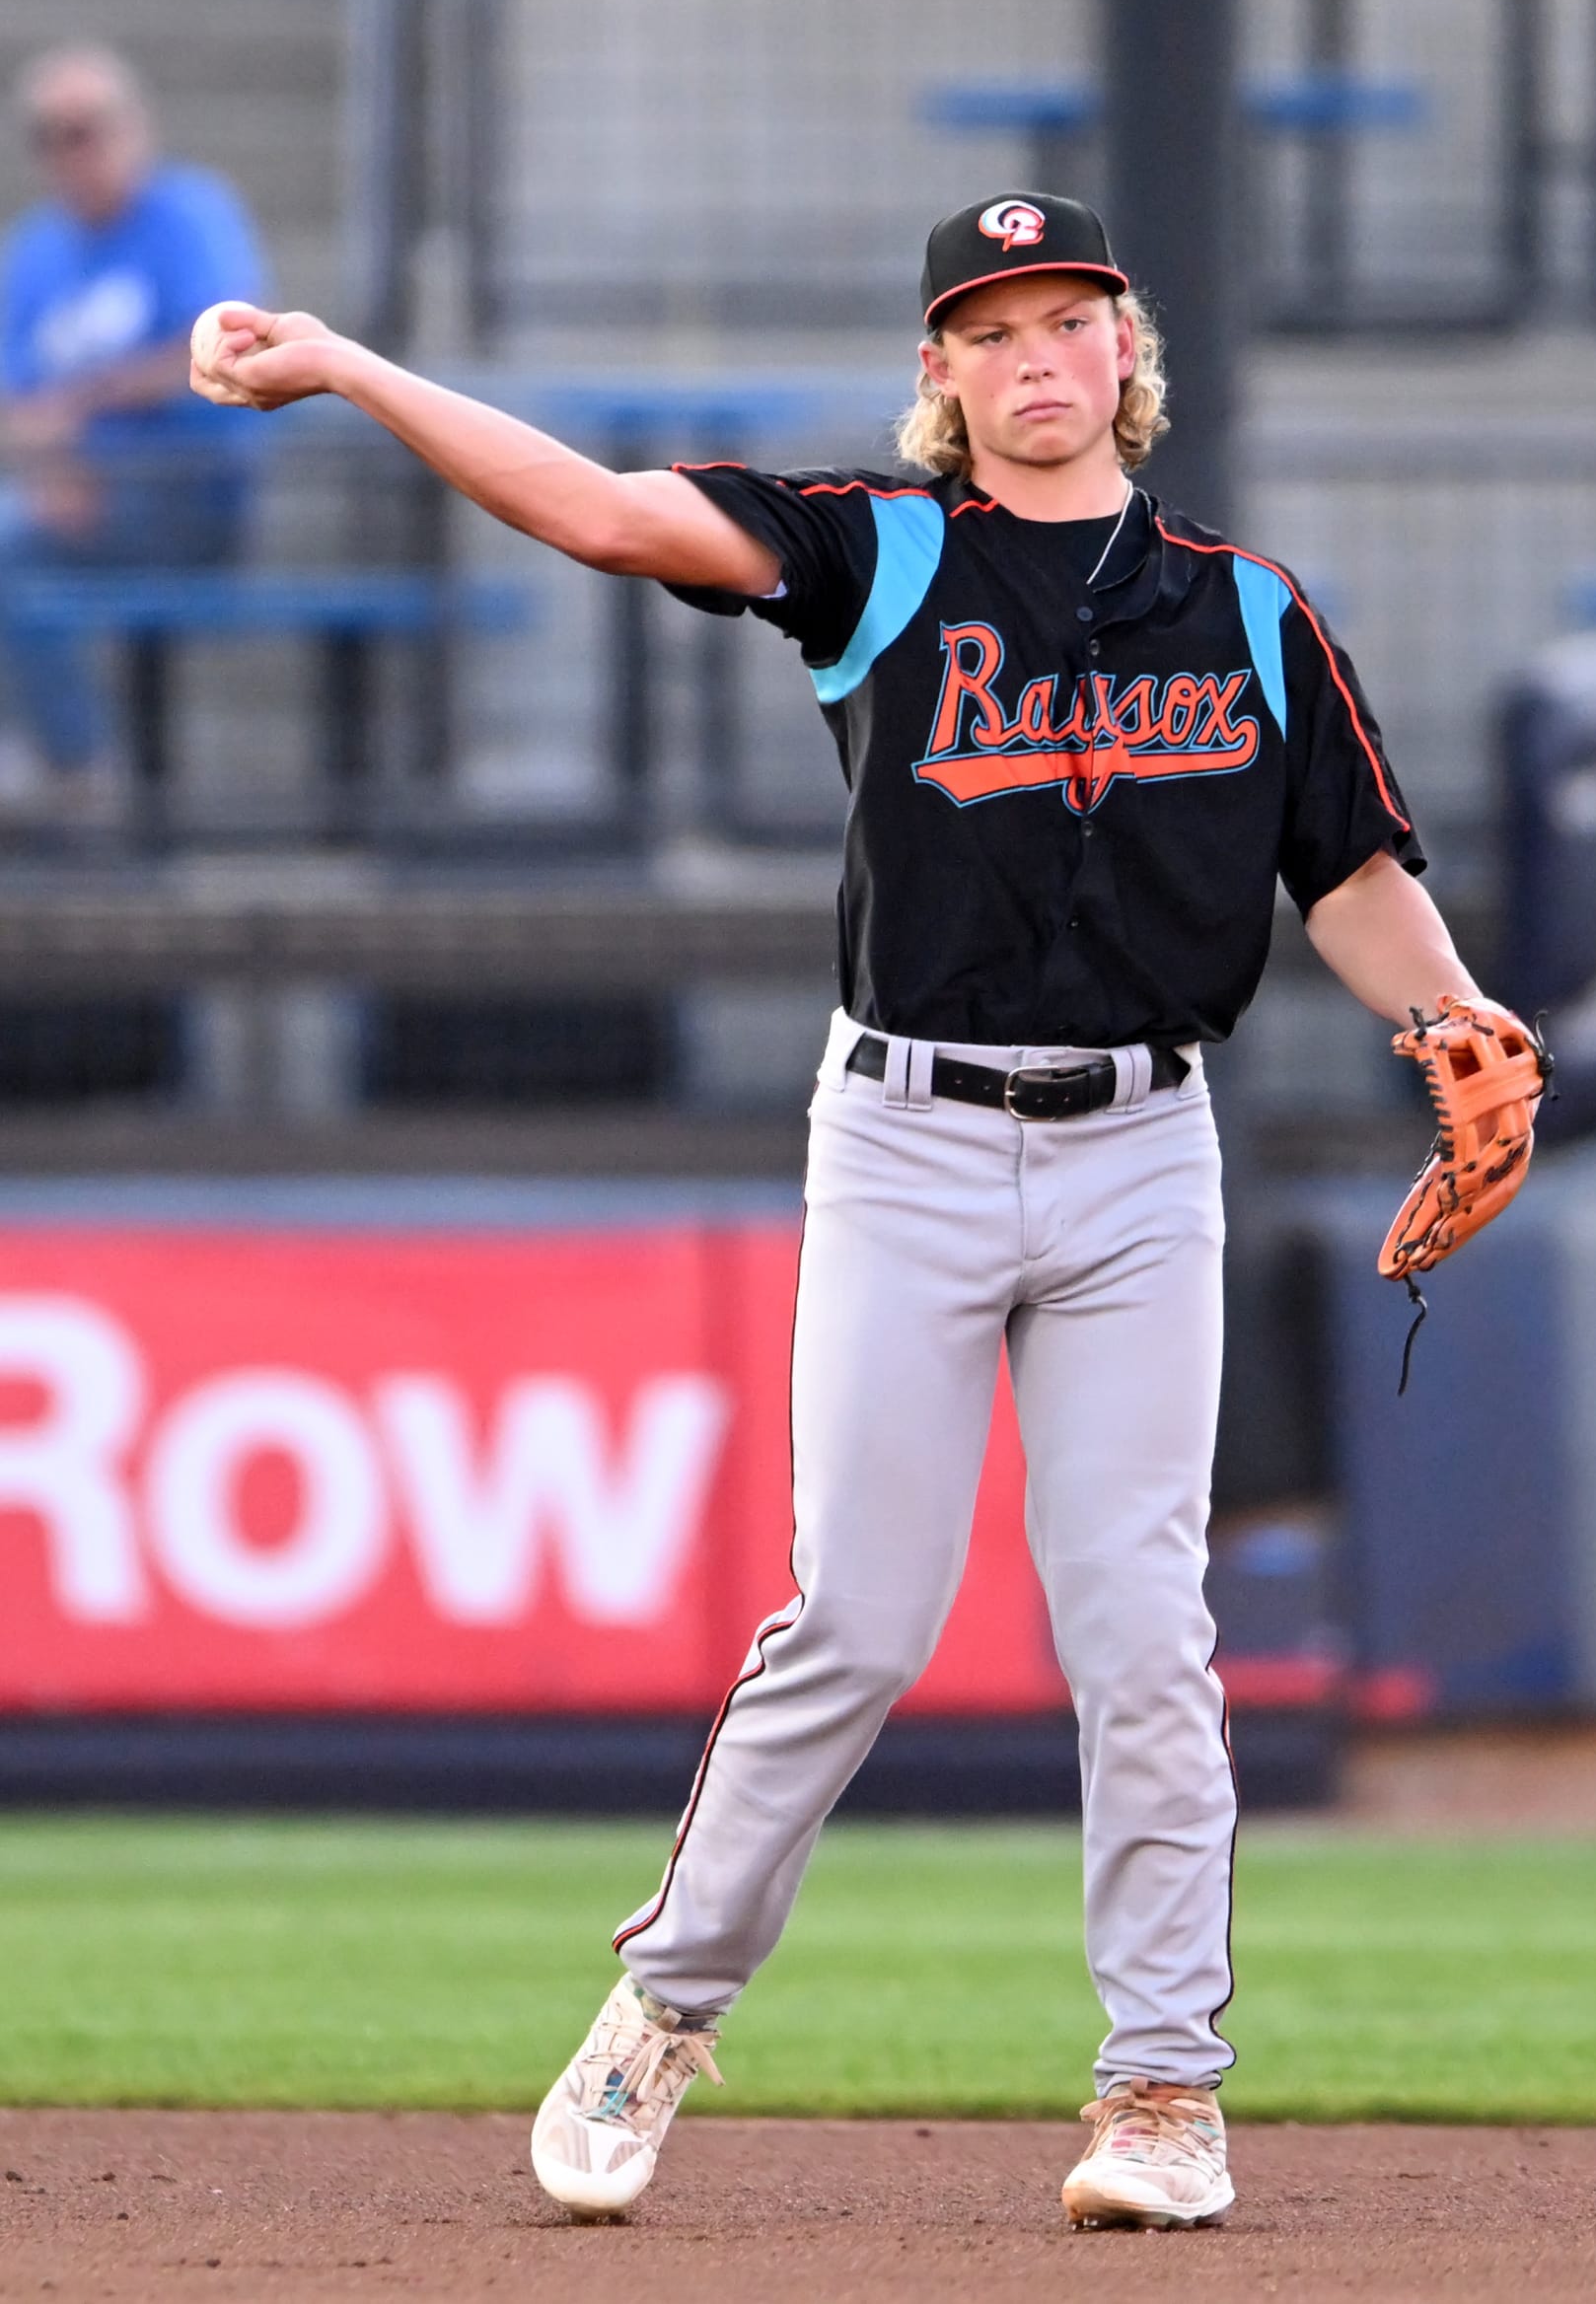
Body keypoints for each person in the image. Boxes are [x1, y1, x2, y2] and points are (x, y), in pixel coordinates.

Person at [192, 191, 1508, 2235]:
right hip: (905, 1135)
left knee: (1146, 1631)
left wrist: (1446, 1012)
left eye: (1071, 317)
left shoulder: (1248, 613)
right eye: (995, 329)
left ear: (1128, 353)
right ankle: (663, 2009)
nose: (1039, 356)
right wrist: (360, 369)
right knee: (858, 1622)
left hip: (1146, 1150)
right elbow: (611, 518)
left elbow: (1342, 874)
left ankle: (1164, 2091)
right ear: (942, 375)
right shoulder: (880, 557)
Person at [0, 47, 266, 820]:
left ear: (134, 128)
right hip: (70, 498)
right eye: (51, 135)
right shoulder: (37, 251)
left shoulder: (191, 215)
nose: (72, 151)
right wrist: (52, 468)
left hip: (188, 495)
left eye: (88, 129)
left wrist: (84, 408)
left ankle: (79, 770)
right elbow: (19, 405)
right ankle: (57, 752)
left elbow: (227, 340)